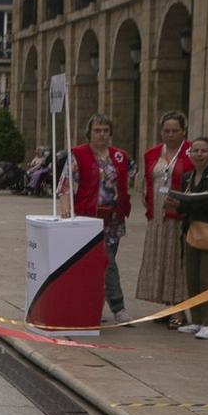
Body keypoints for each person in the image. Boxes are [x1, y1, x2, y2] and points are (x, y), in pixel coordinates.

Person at [67, 114, 133, 323]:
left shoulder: (120, 156)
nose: (102, 134)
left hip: (113, 221)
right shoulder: (78, 154)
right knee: (107, 262)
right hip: (88, 218)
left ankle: (95, 305)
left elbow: (129, 179)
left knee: (102, 264)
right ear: (89, 133)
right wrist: (65, 211)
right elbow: (65, 184)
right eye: (97, 130)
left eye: (105, 130)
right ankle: (118, 306)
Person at [168, 136, 208, 340]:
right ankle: (196, 319)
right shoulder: (187, 176)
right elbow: (185, 206)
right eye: (195, 151)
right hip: (192, 229)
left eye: (203, 151)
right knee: (193, 277)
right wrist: (179, 204)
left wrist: (186, 204)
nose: (199, 154)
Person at [138, 111, 194, 327]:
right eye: (166, 131)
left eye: (175, 131)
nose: (170, 135)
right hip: (158, 218)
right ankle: (169, 306)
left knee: (178, 264)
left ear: (183, 131)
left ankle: (180, 310)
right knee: (161, 263)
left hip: (179, 218)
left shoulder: (191, 152)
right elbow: (146, 180)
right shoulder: (152, 153)